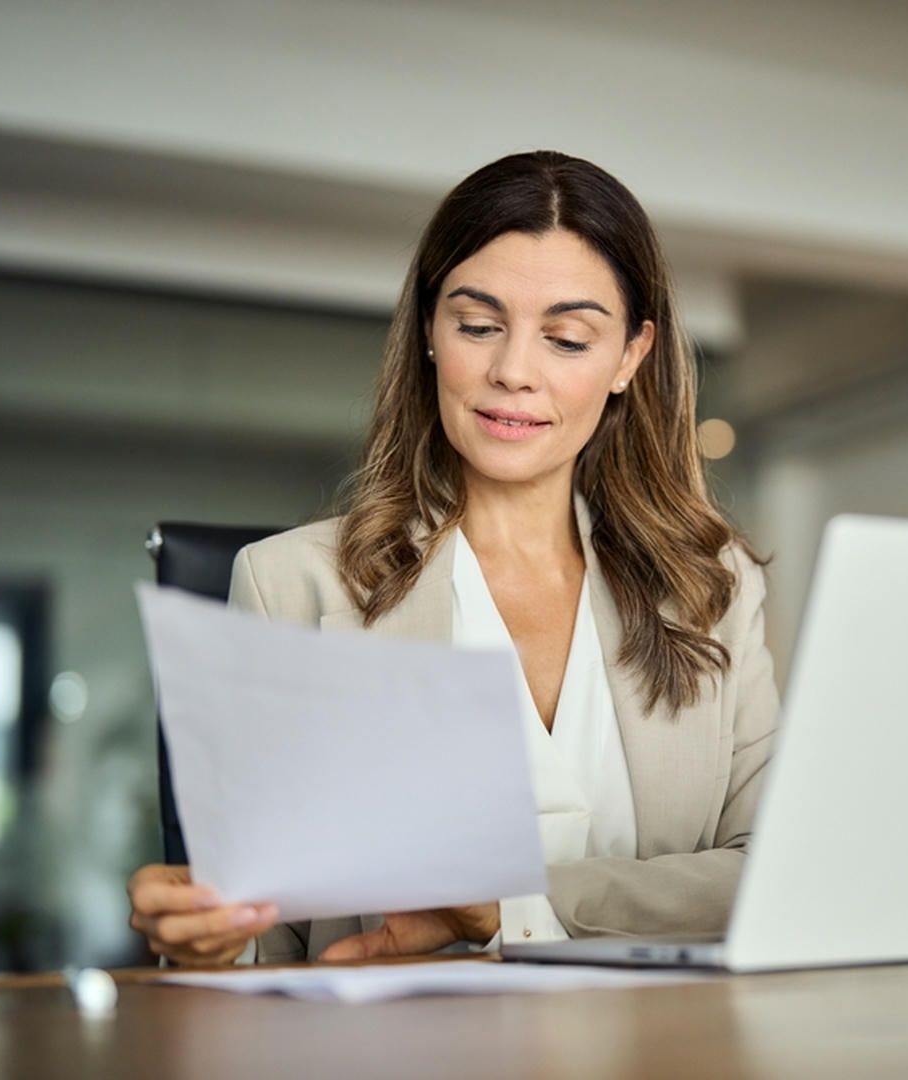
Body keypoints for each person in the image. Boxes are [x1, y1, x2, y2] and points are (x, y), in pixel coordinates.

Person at [127, 150, 779, 966]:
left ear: (630, 358)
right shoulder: (291, 583)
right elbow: (266, 949)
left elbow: (769, 880)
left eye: (567, 338)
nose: (513, 372)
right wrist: (201, 947)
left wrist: (510, 905)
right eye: (477, 326)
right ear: (431, 333)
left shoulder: (712, 588)